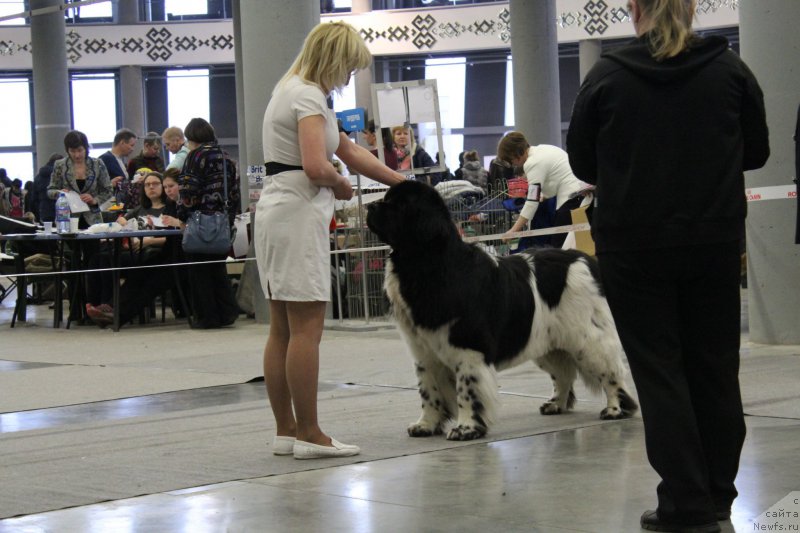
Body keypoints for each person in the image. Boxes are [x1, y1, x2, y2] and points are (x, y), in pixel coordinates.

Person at [565, 0, 770, 531]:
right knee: (716, 369)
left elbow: (583, 163)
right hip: (714, 239)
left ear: (634, 8)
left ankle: (685, 503)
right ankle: (719, 496)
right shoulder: (730, 70)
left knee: (661, 374)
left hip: (634, 247)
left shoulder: (606, 77)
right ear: (693, 6)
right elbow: (759, 152)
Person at [255, 21, 405, 459]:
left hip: (278, 212)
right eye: (349, 68)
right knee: (307, 328)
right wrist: (341, 186)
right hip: (297, 214)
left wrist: (403, 183)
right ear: (335, 59)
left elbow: (350, 151)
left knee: (282, 327)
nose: (347, 77)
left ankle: (287, 431)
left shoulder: (293, 89)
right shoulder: (307, 94)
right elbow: (318, 165)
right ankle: (311, 434)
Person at [177, 117, 241, 329]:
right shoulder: (226, 157)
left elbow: (188, 191)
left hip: (200, 221)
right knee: (217, 269)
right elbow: (233, 192)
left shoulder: (196, 156)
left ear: (191, 137)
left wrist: (183, 214)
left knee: (199, 271)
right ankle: (227, 313)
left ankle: (207, 317)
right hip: (221, 220)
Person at [85, 171, 170, 327]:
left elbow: (171, 238)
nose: (151, 187)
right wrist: (124, 223)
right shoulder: (140, 209)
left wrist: (149, 241)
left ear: (163, 186)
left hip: (153, 253)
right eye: (147, 185)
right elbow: (122, 220)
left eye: (155, 184)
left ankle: (107, 306)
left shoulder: (169, 209)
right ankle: (95, 305)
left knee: (107, 259)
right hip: (133, 249)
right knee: (97, 258)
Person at [497, 132, 591, 248]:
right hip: (581, 196)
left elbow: (532, 201)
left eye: (510, 160)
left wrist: (513, 230)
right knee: (577, 246)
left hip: (571, 200)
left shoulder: (532, 163)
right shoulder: (544, 149)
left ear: (514, 153)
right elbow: (555, 181)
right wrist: (544, 196)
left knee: (559, 248)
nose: (513, 164)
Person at [47, 130, 113, 227]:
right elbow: (50, 190)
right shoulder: (60, 165)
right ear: (67, 150)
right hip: (67, 219)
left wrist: (94, 200)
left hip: (93, 219)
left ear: (86, 148)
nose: (77, 155)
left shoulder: (98, 164)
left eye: (80, 150)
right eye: (72, 151)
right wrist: (60, 193)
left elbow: (108, 190)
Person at [99, 128, 137, 207]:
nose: (132, 149)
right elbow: (96, 185)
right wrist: (110, 184)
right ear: (122, 143)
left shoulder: (120, 160)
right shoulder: (104, 159)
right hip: (109, 206)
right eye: (131, 145)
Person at [29, 153, 62, 222]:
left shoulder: (38, 177)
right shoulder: (61, 175)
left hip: (44, 211)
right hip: (62, 211)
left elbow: (34, 198)